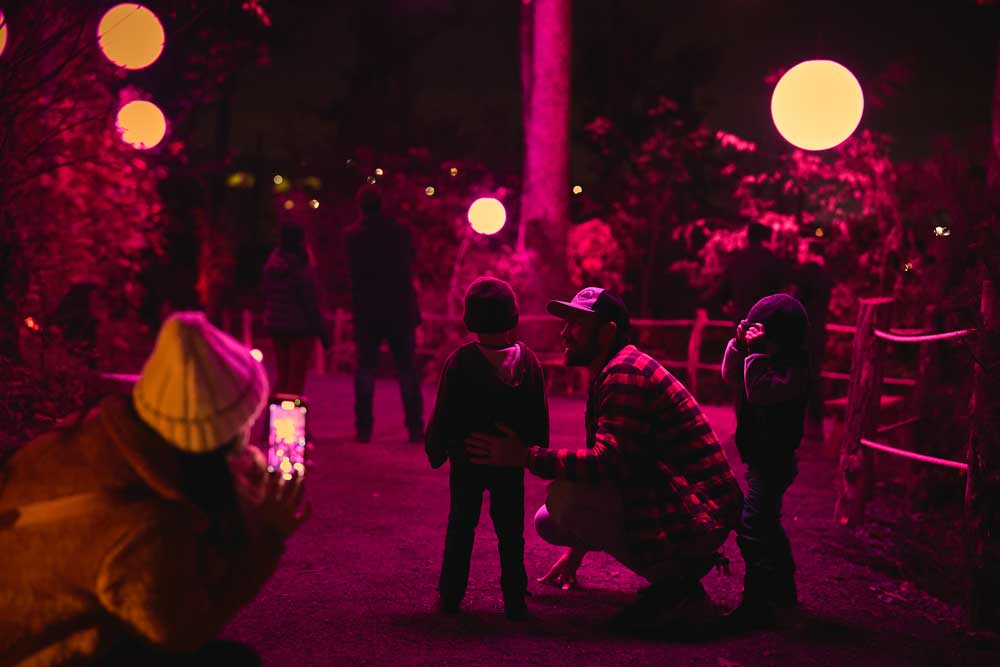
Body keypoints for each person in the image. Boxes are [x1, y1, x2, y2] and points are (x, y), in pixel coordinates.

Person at [0, 311, 311, 665]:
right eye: (244, 424)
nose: (248, 433)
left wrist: (243, 474)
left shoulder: (90, 437)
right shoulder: (144, 526)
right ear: (218, 440)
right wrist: (267, 535)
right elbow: (184, 629)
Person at [465, 287, 743, 633]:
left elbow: (609, 463)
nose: (565, 333)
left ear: (608, 331)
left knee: (565, 497)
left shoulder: (624, 373)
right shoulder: (616, 369)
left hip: (699, 516)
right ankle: (675, 577)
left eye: (577, 324)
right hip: (691, 506)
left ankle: (677, 589)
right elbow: (620, 463)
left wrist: (524, 456)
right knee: (551, 519)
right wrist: (576, 552)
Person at [425, 277, 549, 620]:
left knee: (461, 524)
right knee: (511, 532)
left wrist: (437, 448)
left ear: (470, 318)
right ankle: (514, 599)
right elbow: (539, 412)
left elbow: (444, 411)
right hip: (508, 463)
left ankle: (451, 595)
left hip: (467, 458)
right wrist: (535, 446)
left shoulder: (461, 361)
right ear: (513, 317)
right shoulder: (528, 363)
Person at [721, 294, 809, 631]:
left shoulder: (794, 370)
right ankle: (784, 592)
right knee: (767, 524)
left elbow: (760, 392)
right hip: (758, 457)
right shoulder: (756, 362)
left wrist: (755, 354)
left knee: (754, 527)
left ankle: (757, 603)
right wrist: (738, 345)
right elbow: (732, 378)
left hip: (775, 460)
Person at [345, 185, 423, 443]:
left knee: (366, 370)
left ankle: (364, 428)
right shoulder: (399, 233)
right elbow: (408, 268)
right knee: (407, 370)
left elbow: (354, 278)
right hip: (399, 310)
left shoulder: (354, 237)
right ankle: (415, 427)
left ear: (360, 206)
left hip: (368, 312)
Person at [262, 223, 331, 396]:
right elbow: (310, 301)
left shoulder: (273, 265)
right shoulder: (299, 267)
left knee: (283, 377)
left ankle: (272, 416)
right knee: (295, 381)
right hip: (300, 328)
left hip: (278, 327)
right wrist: (322, 332)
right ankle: (289, 420)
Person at [791, 240, 833, 443]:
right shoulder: (825, 275)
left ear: (810, 253)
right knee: (814, 375)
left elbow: (796, 302)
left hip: (802, 333)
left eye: (801, 250)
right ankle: (816, 422)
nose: (799, 254)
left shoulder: (806, 273)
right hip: (819, 331)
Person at [714, 222, 789, 324]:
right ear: (764, 239)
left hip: (742, 318)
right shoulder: (773, 261)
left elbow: (723, 291)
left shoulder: (736, 260)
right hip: (766, 319)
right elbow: (782, 291)